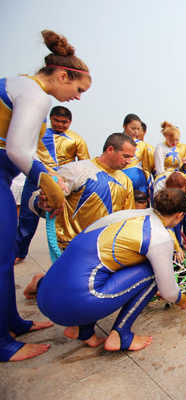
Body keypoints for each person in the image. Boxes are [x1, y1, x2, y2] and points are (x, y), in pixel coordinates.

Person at [0, 29, 91, 361]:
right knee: (0, 261)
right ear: (63, 75)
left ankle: (11, 322)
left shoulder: (20, 86)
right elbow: (18, 150)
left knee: (6, 260)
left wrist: (48, 177)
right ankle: (3, 343)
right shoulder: (37, 95)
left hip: (5, 175)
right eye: (78, 89)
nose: (78, 97)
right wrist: (47, 182)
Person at [24, 189, 186, 351]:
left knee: (103, 266)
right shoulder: (160, 237)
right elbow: (168, 292)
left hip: (47, 296)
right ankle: (121, 335)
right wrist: (181, 299)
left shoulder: (129, 214)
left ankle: (82, 330)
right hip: (70, 307)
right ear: (180, 215)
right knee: (153, 271)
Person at [33, 132, 136, 250]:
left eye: (131, 157)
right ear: (110, 150)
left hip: (105, 250)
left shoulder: (126, 181)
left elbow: (127, 218)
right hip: (71, 247)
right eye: (126, 156)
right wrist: (42, 202)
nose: (129, 161)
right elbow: (40, 200)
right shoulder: (75, 170)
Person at [15, 105, 90, 263]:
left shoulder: (77, 139)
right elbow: (28, 154)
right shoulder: (39, 135)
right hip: (37, 178)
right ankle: (19, 252)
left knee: (61, 218)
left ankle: (63, 254)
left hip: (62, 184)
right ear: (51, 119)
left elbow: (85, 165)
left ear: (70, 122)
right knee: (27, 216)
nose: (60, 124)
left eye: (64, 122)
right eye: (57, 120)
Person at [121, 113, 154, 194]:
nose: (136, 131)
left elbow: (146, 168)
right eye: (133, 128)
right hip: (120, 181)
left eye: (138, 129)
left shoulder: (143, 145)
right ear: (124, 126)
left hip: (140, 184)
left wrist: (150, 185)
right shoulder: (117, 141)